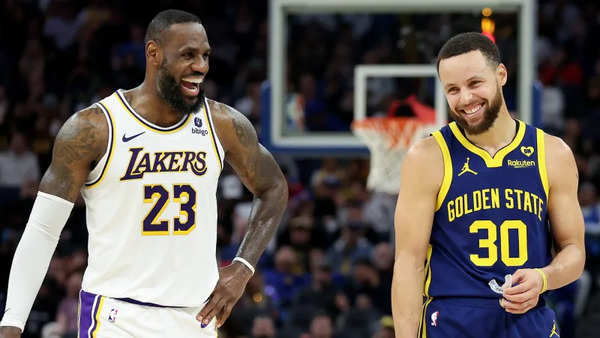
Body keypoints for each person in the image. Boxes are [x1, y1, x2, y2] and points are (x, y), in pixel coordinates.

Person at [0, 9, 287, 338]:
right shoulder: (93, 128)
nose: (201, 66)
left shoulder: (223, 124)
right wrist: (12, 323)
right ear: (154, 53)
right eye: (188, 55)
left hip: (195, 319)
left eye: (205, 56)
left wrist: (243, 267)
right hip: (116, 316)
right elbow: (43, 229)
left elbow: (274, 187)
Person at [391, 32, 585, 337]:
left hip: (529, 319)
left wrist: (544, 278)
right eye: (452, 89)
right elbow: (408, 263)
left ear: (501, 74)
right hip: (453, 321)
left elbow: (574, 250)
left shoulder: (552, 153)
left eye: (474, 83)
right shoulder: (427, 157)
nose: (465, 98)